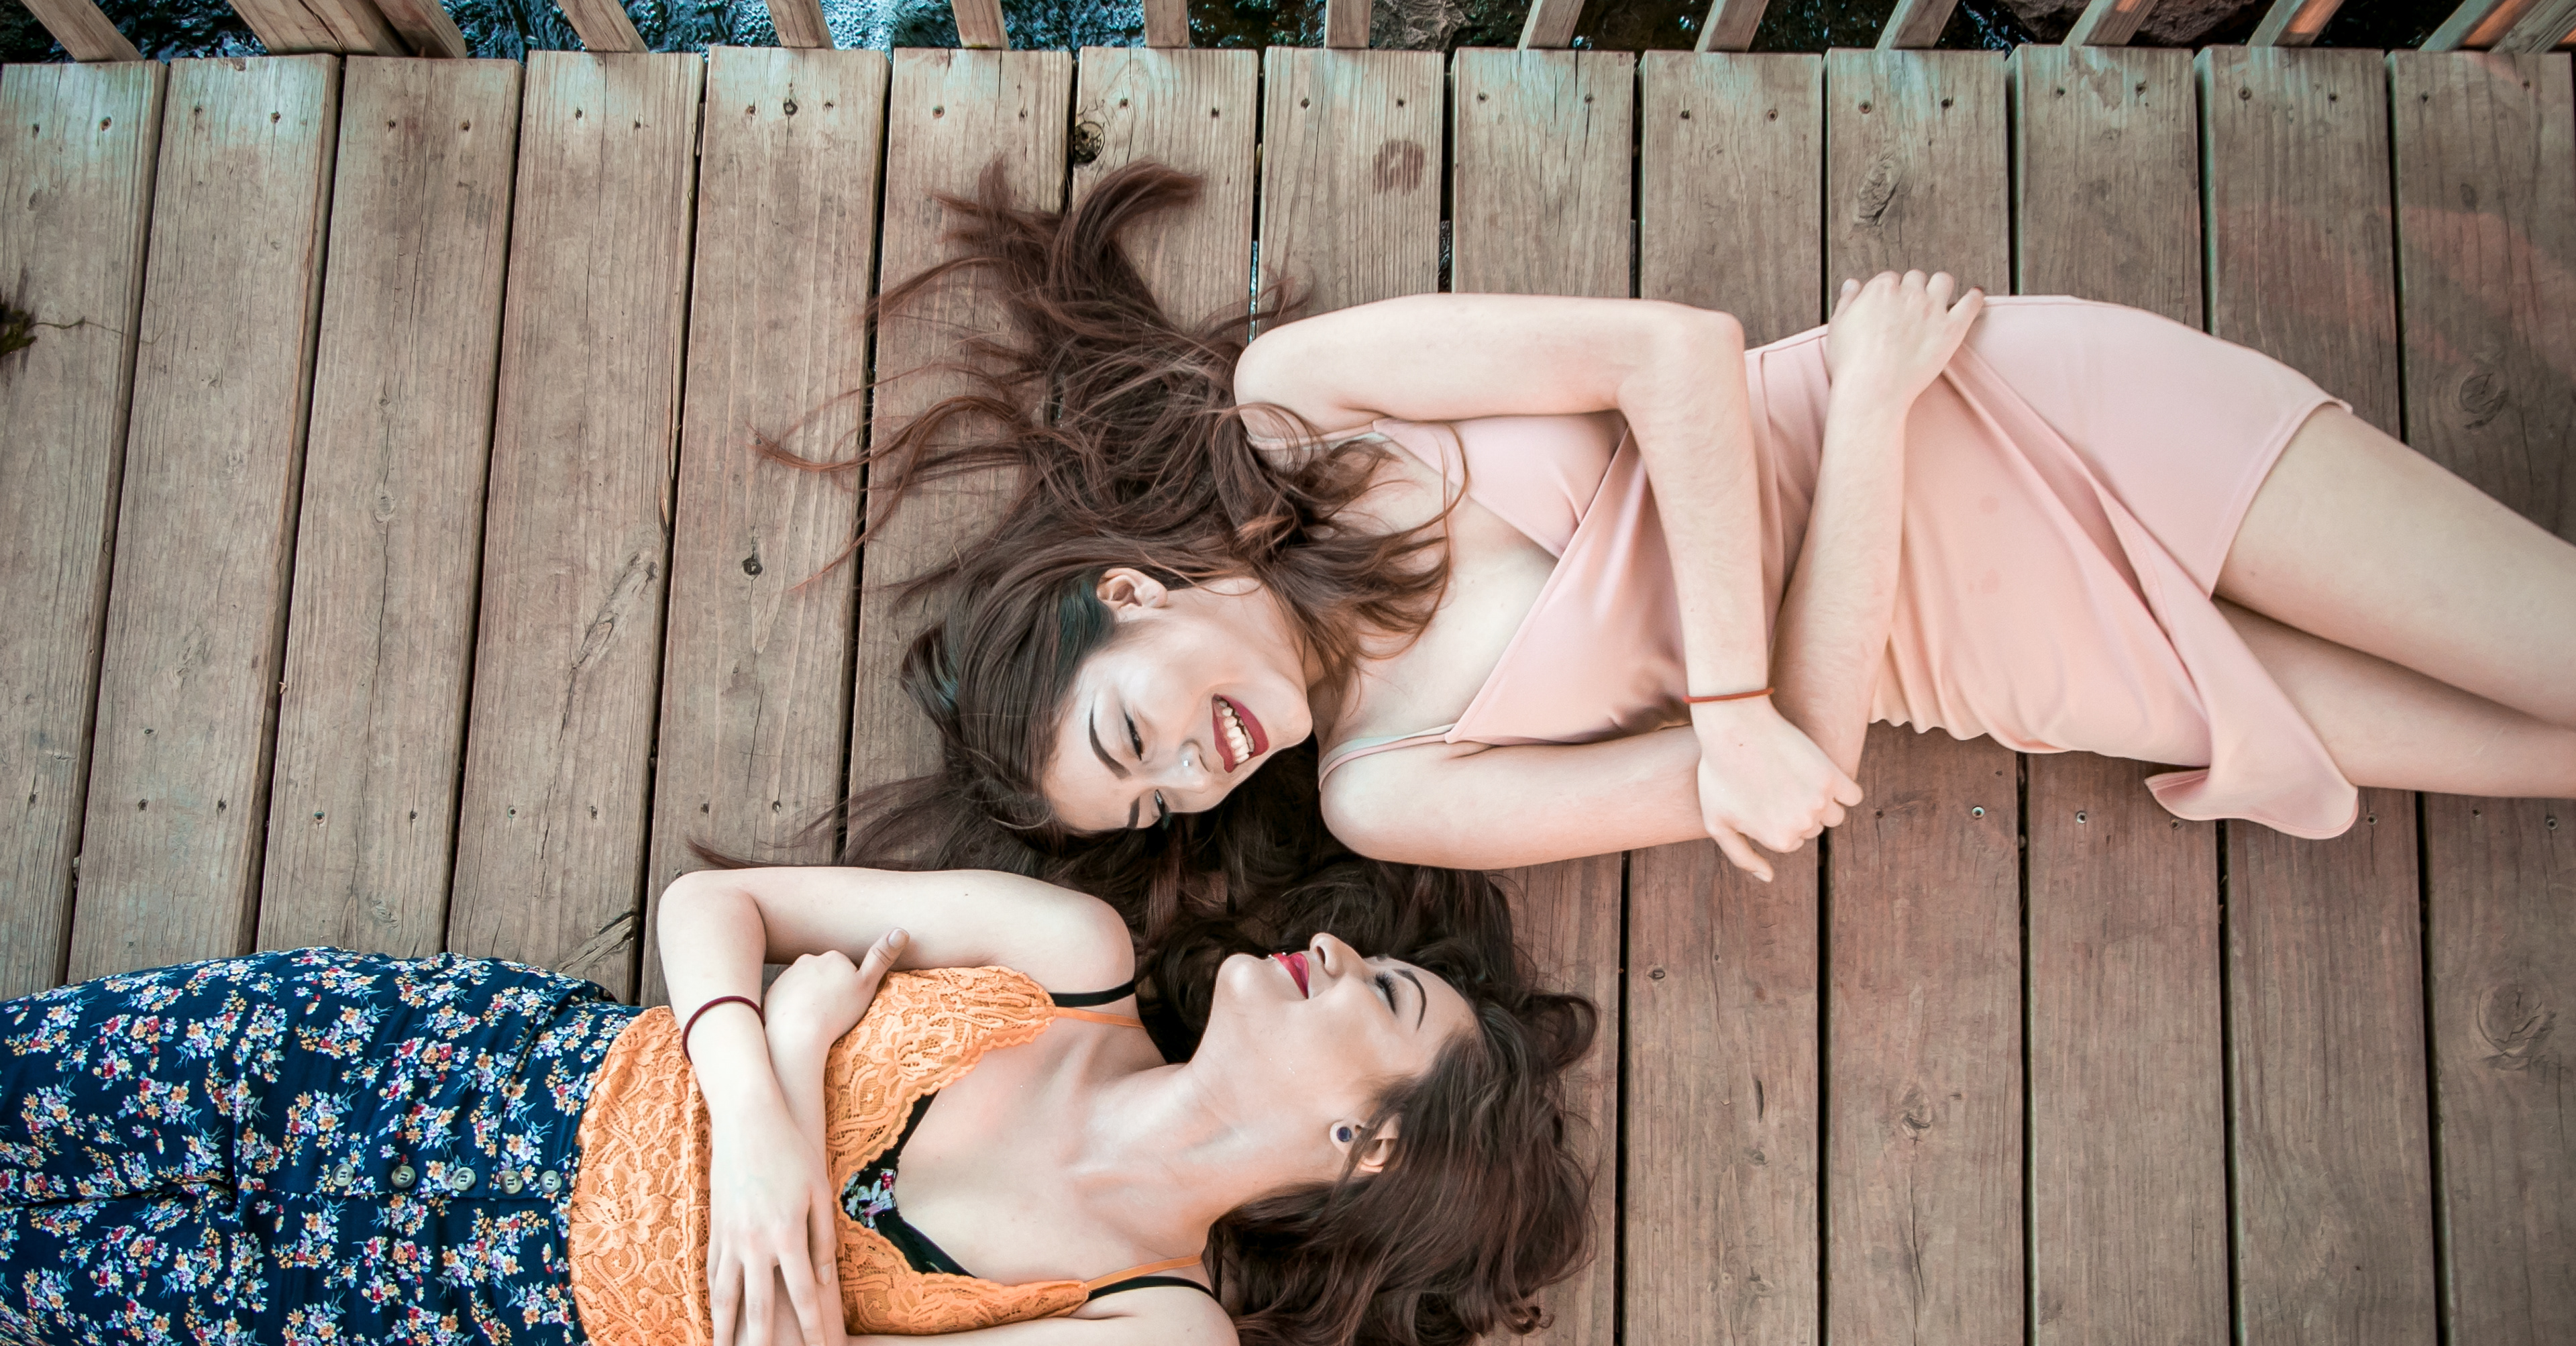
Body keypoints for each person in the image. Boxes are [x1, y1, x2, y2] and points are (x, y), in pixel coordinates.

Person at [843, 164, 2576, 884]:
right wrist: (1860, 432)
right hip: (1994, 642)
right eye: (1158, 802)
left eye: (1130, 735)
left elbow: (1675, 356)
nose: (1193, 774)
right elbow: (1806, 759)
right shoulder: (1387, 789)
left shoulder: (1302, 402)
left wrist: (1736, 699)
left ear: (1132, 592)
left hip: (2023, 412)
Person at [0, 861, 1594, 1346]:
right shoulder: (1072, 955)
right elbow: (717, 907)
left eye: (1387, 993)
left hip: (450, 1313)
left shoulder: (1163, 1336)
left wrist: (804, 1040)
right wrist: (763, 1114)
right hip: (433, 1060)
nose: (1337, 948)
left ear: (1371, 1145)